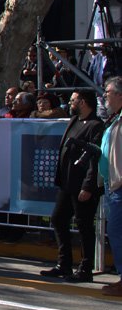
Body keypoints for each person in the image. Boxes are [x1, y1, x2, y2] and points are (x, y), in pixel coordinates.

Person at [39, 89, 104, 282]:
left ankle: (85, 269)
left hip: (82, 185)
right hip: (67, 183)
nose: (70, 103)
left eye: (73, 100)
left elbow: (95, 159)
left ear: (83, 102)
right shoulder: (74, 121)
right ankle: (64, 263)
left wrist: (88, 186)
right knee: (58, 219)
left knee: (84, 225)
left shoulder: (96, 126)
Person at [97, 76, 122, 297]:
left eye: (108, 91)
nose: (105, 95)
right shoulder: (115, 119)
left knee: (118, 233)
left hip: (119, 186)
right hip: (112, 184)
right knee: (115, 233)